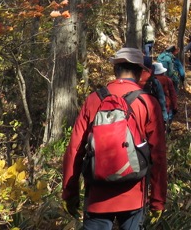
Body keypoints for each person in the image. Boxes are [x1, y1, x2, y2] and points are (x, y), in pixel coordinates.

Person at [62, 47, 166, 229]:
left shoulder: (94, 100)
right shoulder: (148, 103)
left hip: (97, 195)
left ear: (115, 70)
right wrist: (157, 201)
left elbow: (75, 149)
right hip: (134, 195)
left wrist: (69, 193)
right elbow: (158, 155)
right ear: (141, 72)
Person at [141, 56, 168, 123]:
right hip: (152, 114)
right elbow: (161, 100)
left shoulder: (134, 78)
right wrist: (164, 118)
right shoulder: (154, 81)